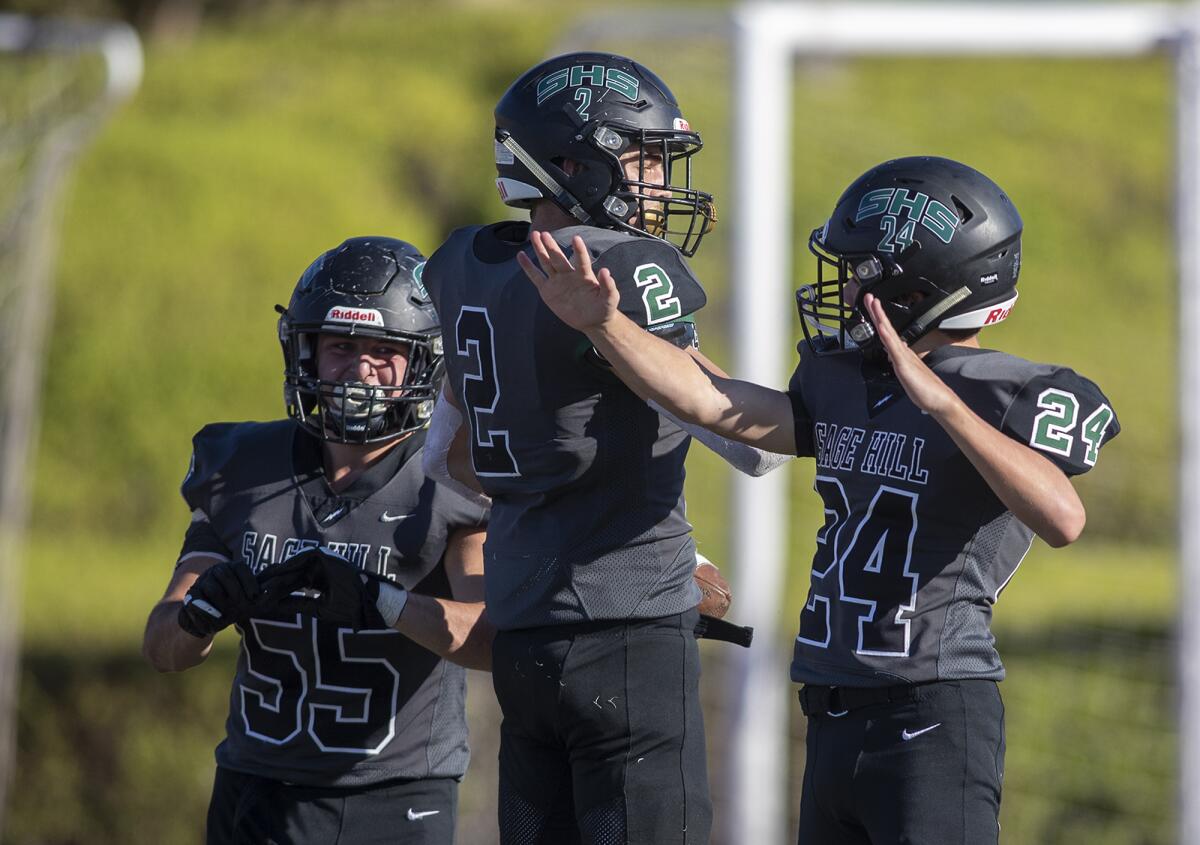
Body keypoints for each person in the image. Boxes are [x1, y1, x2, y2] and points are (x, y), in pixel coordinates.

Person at [521, 155, 1120, 845]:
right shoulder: (844, 382)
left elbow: (1063, 517)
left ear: (919, 286)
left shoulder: (1006, 391)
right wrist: (607, 326)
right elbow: (711, 402)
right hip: (832, 715)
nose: (842, 286)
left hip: (932, 712)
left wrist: (943, 405)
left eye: (861, 271)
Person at [420, 51, 777, 845]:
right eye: (644, 158)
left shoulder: (461, 264)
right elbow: (748, 439)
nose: (659, 181)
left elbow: (449, 458)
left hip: (525, 633)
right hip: (627, 627)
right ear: (575, 163)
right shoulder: (620, 265)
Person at [141, 236, 491, 845]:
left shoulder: (454, 478)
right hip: (254, 790)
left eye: (386, 351)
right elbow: (163, 650)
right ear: (305, 351)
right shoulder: (242, 467)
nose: (360, 369)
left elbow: (488, 639)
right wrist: (201, 611)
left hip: (393, 798)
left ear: (426, 361)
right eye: (341, 347)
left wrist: (384, 602)